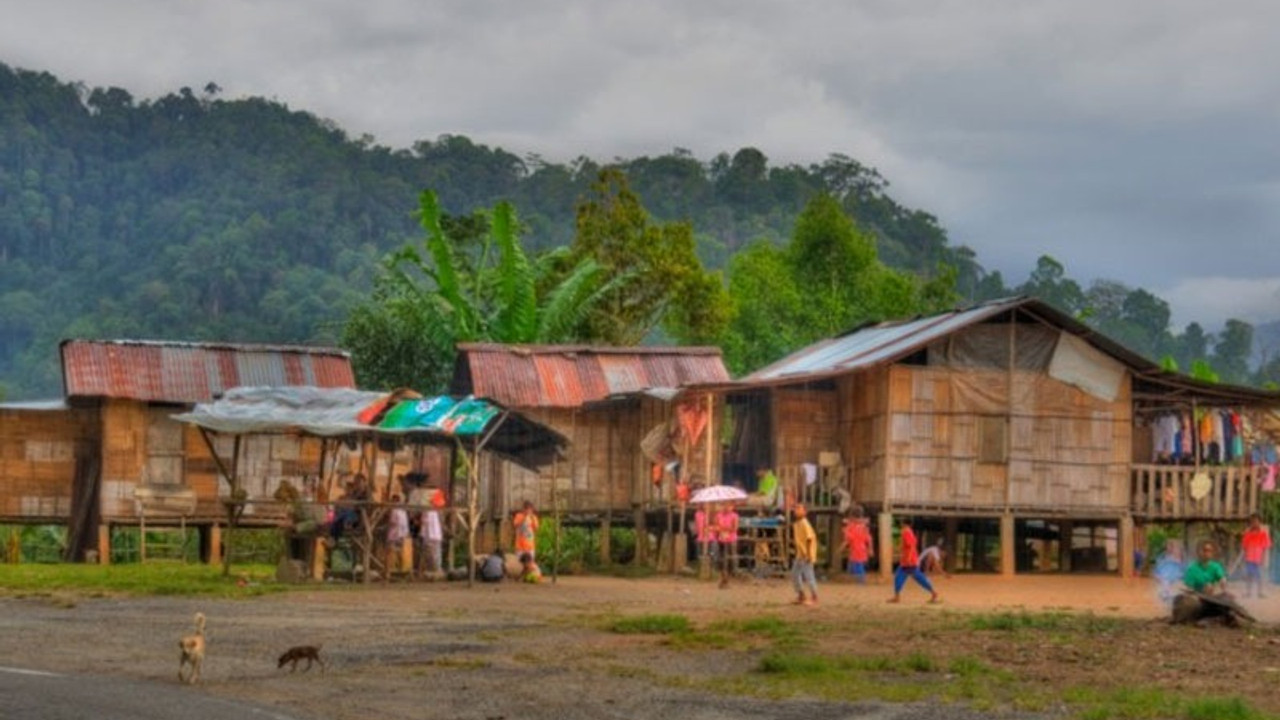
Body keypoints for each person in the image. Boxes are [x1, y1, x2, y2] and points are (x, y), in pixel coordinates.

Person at [888, 518, 939, 604]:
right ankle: (933, 593)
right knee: (908, 577)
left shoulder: (906, 532)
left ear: (903, 523)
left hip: (909, 561)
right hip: (908, 561)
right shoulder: (909, 532)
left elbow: (911, 546)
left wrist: (908, 558)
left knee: (913, 577)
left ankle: (933, 593)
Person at [790, 504, 819, 606]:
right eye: (795, 508)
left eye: (799, 509)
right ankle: (801, 595)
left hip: (806, 554)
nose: (796, 510)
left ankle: (814, 597)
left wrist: (809, 554)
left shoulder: (804, 523)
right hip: (800, 554)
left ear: (804, 512)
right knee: (794, 574)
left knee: (809, 575)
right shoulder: (797, 524)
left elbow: (810, 539)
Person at [1241, 513, 1272, 599]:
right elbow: (1244, 546)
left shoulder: (1263, 533)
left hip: (1259, 557)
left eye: (1256, 521)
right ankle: (1248, 592)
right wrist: (1244, 558)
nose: (1254, 523)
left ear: (1259, 522)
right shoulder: (1248, 533)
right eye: (1252, 521)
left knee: (1260, 576)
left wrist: (1264, 558)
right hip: (1249, 557)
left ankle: (1260, 592)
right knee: (1249, 575)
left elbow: (1266, 546)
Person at [841, 514, 874, 584]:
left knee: (857, 565)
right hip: (861, 549)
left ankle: (861, 581)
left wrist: (841, 547)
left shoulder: (850, 528)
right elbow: (869, 539)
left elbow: (848, 540)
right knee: (858, 564)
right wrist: (870, 549)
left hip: (856, 549)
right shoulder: (863, 527)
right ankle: (860, 580)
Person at [715, 502, 740, 589]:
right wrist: (721, 529)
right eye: (724, 505)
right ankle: (723, 578)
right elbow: (716, 526)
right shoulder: (718, 515)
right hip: (721, 539)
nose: (726, 507)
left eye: (729, 505)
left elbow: (735, 528)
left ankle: (728, 578)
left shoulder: (734, 516)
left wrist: (724, 529)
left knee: (730, 559)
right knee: (722, 559)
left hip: (731, 539)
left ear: (732, 507)